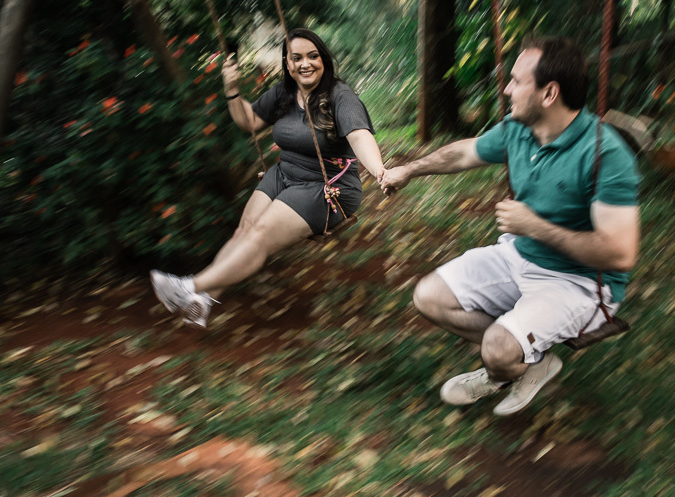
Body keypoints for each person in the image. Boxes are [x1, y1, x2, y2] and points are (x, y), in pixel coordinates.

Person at [380, 36, 640, 416]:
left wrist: (535, 226)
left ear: (549, 94)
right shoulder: (519, 129)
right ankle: (531, 359)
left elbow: (619, 254)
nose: (506, 89)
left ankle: (507, 358)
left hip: (580, 282)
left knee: (498, 350)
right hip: (519, 255)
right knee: (429, 296)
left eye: (517, 81)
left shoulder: (605, 154)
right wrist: (409, 170)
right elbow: (464, 153)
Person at [151, 28, 386, 328]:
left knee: (260, 234)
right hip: (285, 174)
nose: (305, 64)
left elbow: (359, 135)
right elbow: (248, 121)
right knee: (244, 231)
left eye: (312, 56)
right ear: (287, 63)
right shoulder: (284, 92)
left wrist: (379, 170)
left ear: (324, 59)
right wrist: (231, 89)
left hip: (327, 187)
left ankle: (188, 287)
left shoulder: (341, 96)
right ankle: (204, 301)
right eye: (297, 58)